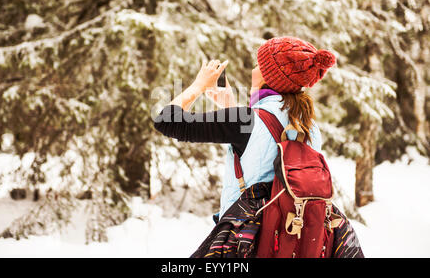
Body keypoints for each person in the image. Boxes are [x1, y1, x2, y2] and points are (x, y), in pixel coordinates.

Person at [153, 36, 361, 257]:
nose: (254, 68)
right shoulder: (309, 125)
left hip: (247, 242)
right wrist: (230, 108)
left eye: (259, 64)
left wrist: (199, 84)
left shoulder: (246, 121)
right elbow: (267, 161)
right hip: (290, 240)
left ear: (269, 76)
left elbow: (167, 121)